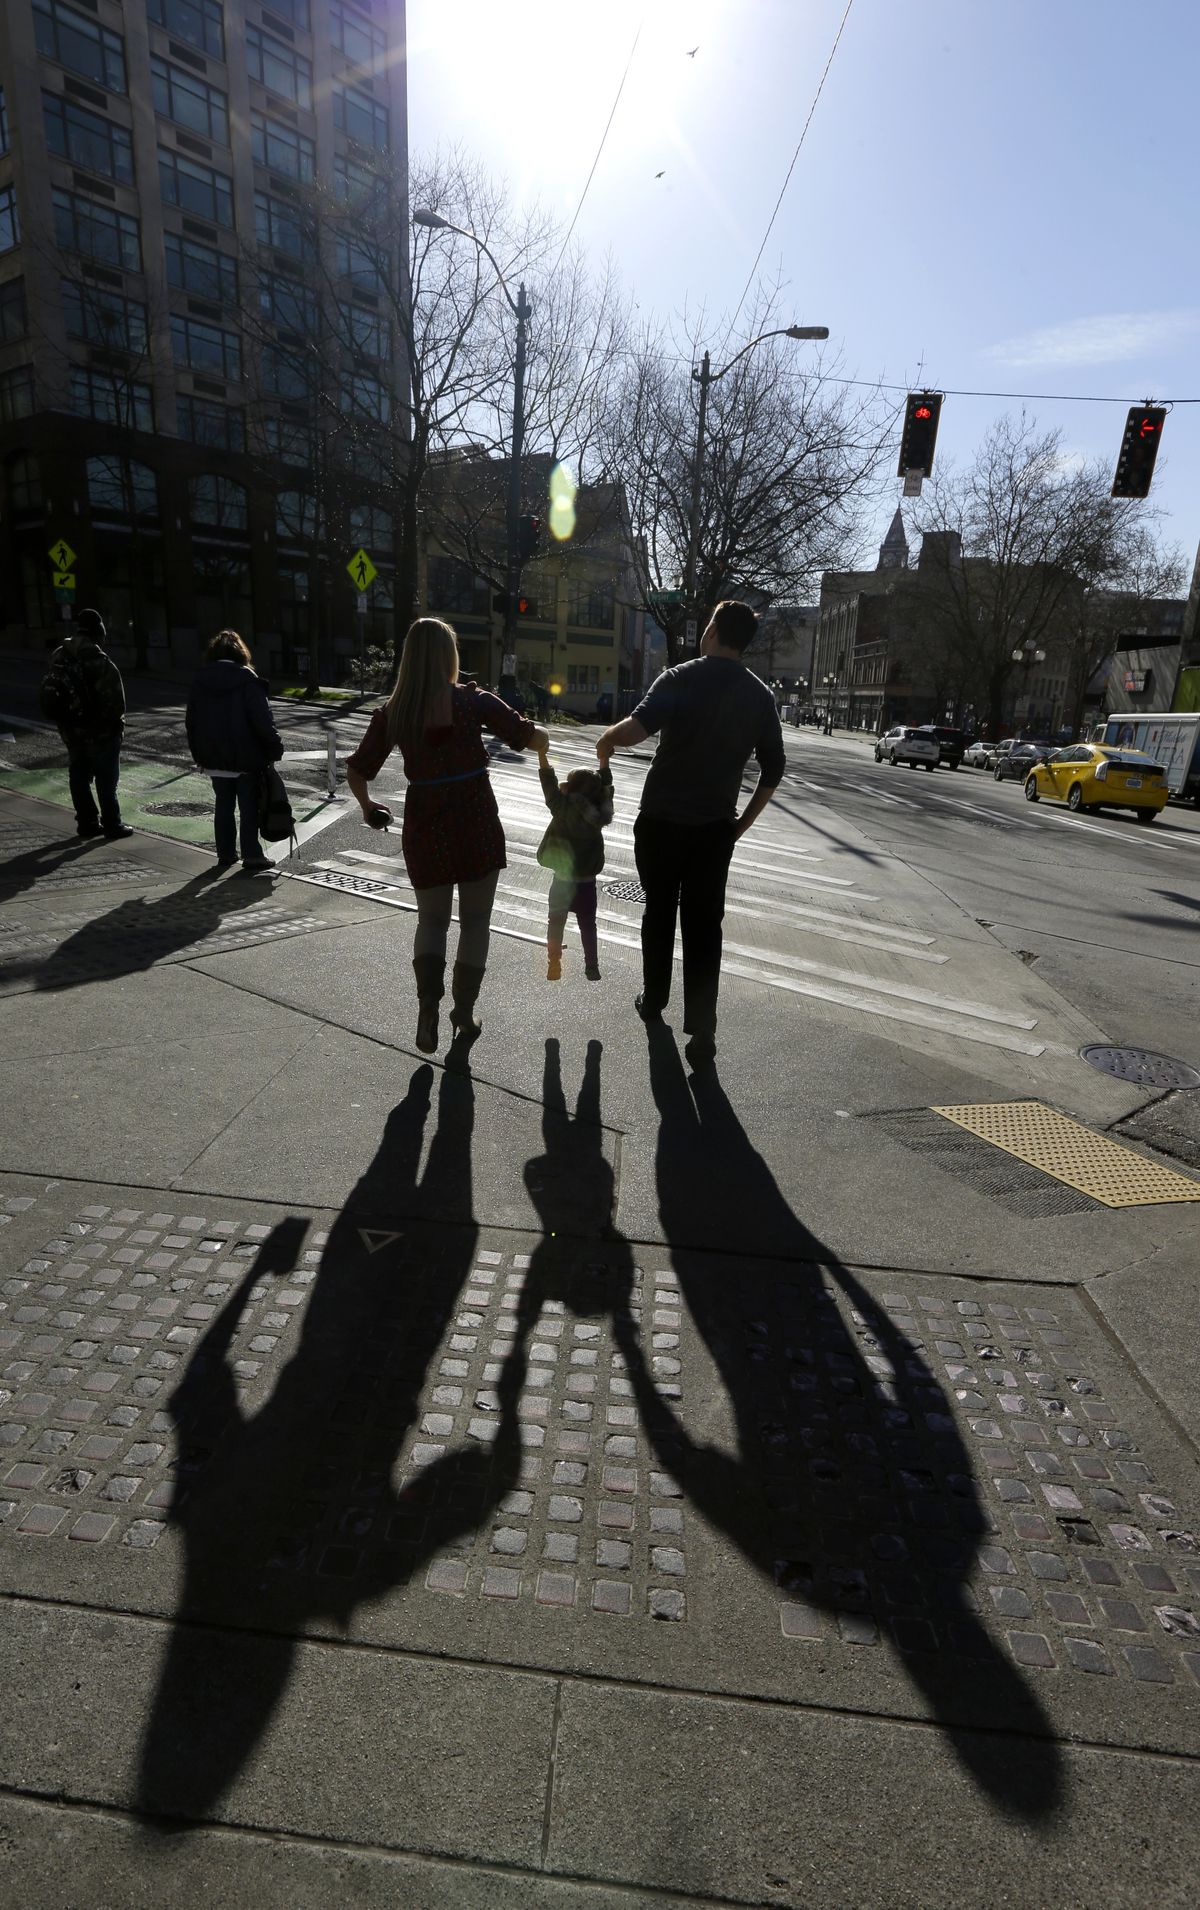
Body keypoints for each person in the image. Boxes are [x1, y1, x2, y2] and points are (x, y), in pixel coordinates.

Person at [597, 599, 785, 1071]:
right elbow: (774, 768)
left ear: (715, 630)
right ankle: (703, 1029)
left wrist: (605, 740)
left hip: (661, 822)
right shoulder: (760, 697)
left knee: (659, 912)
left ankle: (654, 998)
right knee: (705, 928)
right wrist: (740, 825)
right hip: (713, 832)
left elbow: (636, 731)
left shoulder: (679, 678)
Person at [346, 617, 548, 1054]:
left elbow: (358, 770)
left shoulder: (394, 712)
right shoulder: (472, 702)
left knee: (431, 921)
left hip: (425, 824)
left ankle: (426, 1009)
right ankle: (463, 1010)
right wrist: (544, 740)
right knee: (475, 922)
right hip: (474, 821)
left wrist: (368, 808)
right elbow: (526, 736)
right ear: (449, 656)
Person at [185, 630, 284, 874]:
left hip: (214, 757)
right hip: (246, 757)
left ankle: (226, 854)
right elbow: (262, 720)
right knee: (249, 807)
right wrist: (275, 747)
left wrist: (199, 754)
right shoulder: (248, 680)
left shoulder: (200, 680)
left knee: (223, 805)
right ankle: (252, 854)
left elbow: (192, 722)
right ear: (241, 652)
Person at [39, 608, 133, 839]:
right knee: (106, 779)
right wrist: (115, 727)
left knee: (78, 774)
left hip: (70, 728)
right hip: (100, 732)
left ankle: (87, 822)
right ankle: (112, 823)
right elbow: (116, 702)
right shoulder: (99, 661)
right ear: (98, 633)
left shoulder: (60, 654)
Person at [535, 741, 613, 981]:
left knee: (555, 922)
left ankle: (554, 963)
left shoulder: (561, 807)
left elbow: (548, 784)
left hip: (562, 881)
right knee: (588, 925)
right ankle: (592, 965)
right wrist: (604, 761)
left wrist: (542, 754)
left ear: (569, 788)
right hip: (587, 884)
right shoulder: (600, 814)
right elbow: (607, 788)